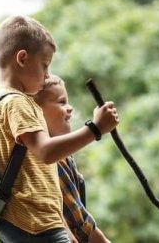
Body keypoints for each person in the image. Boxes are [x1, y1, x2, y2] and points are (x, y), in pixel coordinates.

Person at [0, 15, 120, 243]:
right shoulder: (15, 102)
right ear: (22, 58)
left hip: (36, 224)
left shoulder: (0, 102)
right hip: (35, 225)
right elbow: (46, 152)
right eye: (44, 65)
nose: (47, 74)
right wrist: (95, 128)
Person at [35, 75, 111, 243]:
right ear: (36, 112)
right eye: (62, 102)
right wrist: (96, 128)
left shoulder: (63, 157)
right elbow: (78, 223)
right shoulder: (50, 161)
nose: (69, 108)